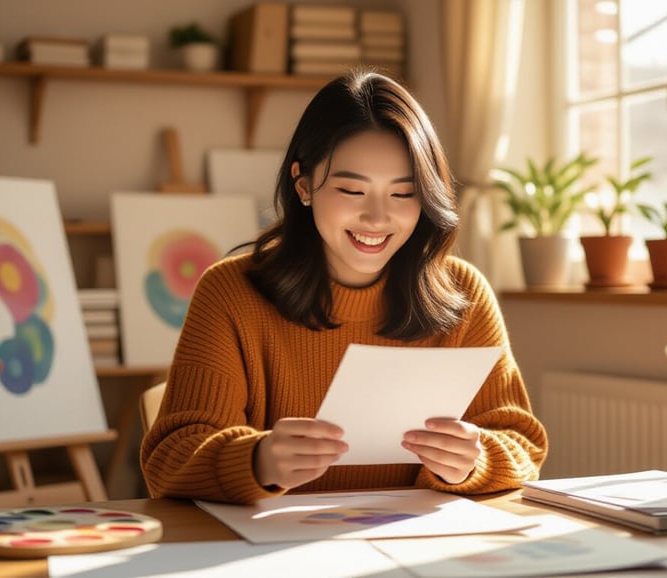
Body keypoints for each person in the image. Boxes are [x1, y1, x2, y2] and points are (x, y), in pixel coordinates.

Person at [140, 70, 547, 504]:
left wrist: (476, 459)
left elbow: (523, 444)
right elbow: (169, 459)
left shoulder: (463, 293)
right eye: (352, 190)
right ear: (303, 186)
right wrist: (257, 459)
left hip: (413, 550)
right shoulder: (230, 292)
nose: (376, 218)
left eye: (403, 194)